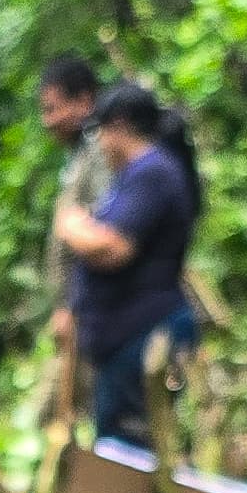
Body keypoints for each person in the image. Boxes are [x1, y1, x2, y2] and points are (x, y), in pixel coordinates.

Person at [53, 83, 201, 451]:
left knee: (130, 456)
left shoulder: (153, 172)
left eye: (101, 132)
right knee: (123, 449)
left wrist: (72, 227)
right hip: (125, 342)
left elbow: (114, 247)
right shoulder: (137, 175)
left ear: (119, 126)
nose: (100, 145)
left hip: (144, 335)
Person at [34, 53, 112, 397]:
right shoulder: (80, 155)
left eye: (53, 109)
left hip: (98, 310)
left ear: (84, 101)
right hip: (82, 312)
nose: (47, 121)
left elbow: (104, 234)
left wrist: (72, 306)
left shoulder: (101, 152)